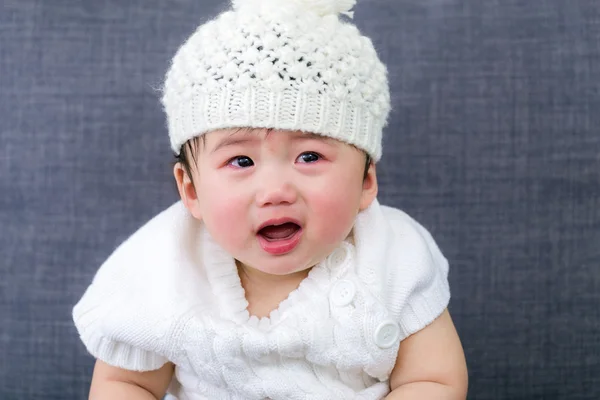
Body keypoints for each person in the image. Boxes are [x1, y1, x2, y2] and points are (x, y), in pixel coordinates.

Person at [73, 0, 468, 398]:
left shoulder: (393, 258)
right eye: (241, 160)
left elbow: (432, 380)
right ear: (191, 191)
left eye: (309, 156)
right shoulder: (162, 266)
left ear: (366, 181)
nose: (276, 190)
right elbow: (124, 384)